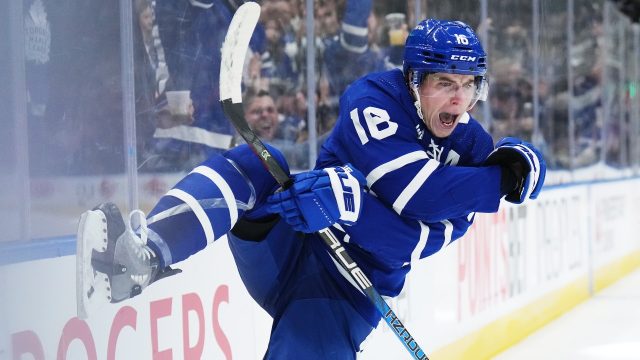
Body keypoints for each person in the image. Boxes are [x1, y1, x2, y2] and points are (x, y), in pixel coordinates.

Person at [77, 19, 546, 358]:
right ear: (414, 80)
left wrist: (353, 209)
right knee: (259, 162)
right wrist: (497, 183)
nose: (459, 99)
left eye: (468, 85)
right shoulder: (375, 99)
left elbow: (422, 237)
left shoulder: (471, 146)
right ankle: (144, 256)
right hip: (291, 237)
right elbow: (415, 193)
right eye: (445, 83)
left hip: (346, 291)